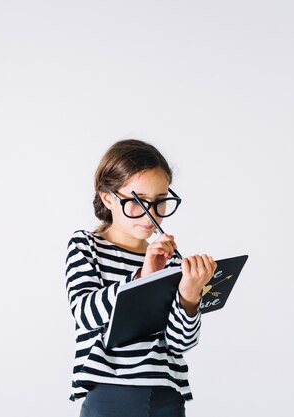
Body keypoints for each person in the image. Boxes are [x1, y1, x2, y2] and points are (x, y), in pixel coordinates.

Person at [65, 139, 217, 417]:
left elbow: (180, 342)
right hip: (110, 392)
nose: (151, 215)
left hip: (167, 395)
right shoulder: (86, 245)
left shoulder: (171, 259)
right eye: (137, 201)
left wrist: (190, 296)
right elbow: (85, 314)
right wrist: (142, 276)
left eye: (160, 202)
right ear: (108, 197)